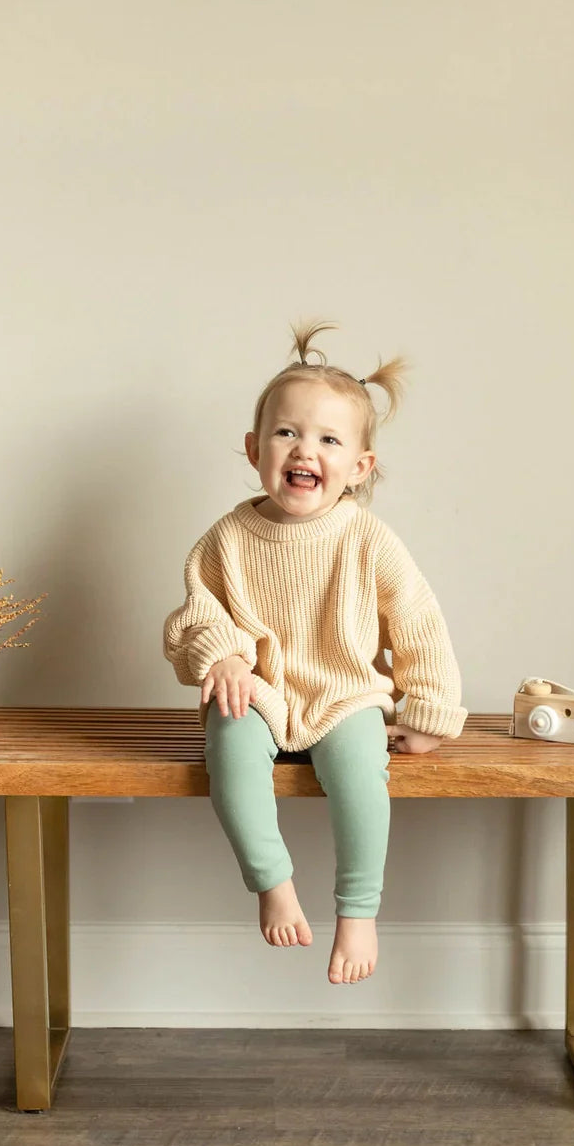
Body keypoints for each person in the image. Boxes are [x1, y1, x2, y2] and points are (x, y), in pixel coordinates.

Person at [163, 321, 467, 985]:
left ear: (359, 468)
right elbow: (197, 614)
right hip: (261, 691)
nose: (306, 450)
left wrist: (432, 711)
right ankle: (271, 881)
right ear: (253, 448)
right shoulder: (228, 539)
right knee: (229, 748)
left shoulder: (369, 540)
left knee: (362, 774)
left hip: (344, 693)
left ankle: (358, 910)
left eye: (329, 439)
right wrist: (223, 657)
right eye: (287, 433)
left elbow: (418, 623)